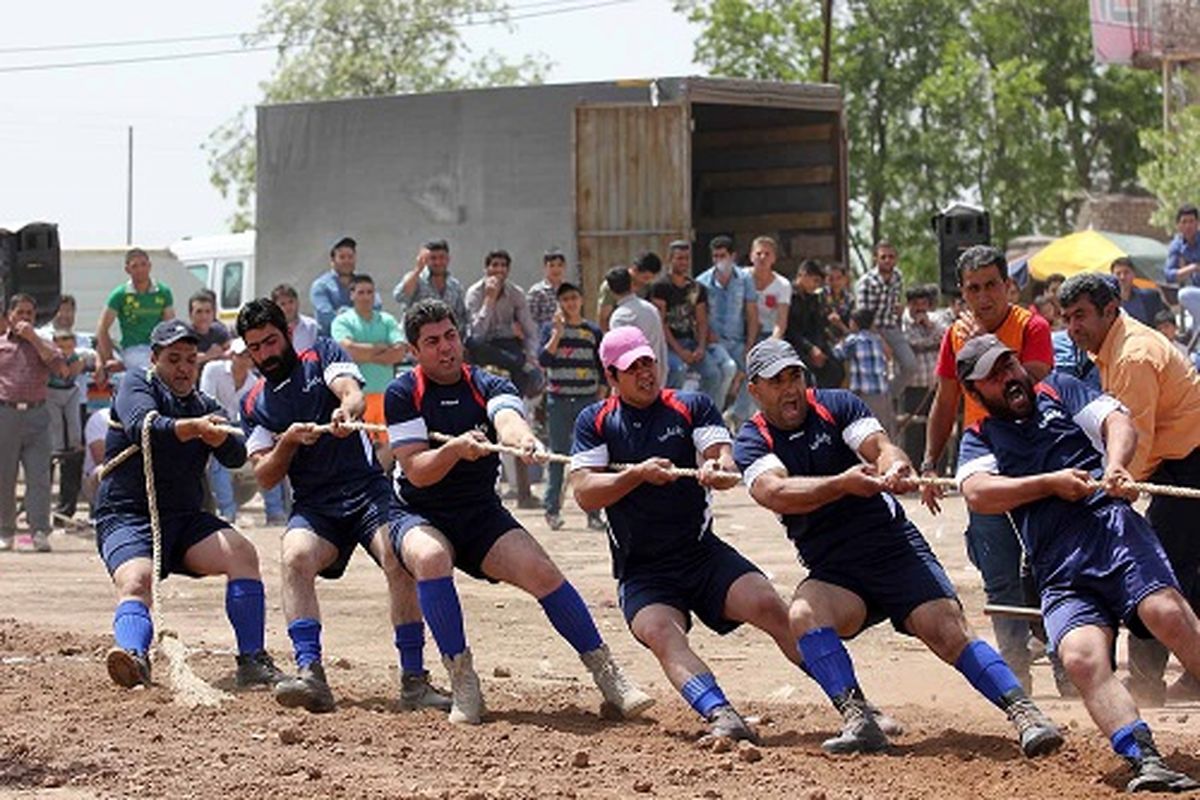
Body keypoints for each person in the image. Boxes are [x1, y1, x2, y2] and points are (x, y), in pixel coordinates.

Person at [734, 337, 1062, 757]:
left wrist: (896, 465)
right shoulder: (752, 439)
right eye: (776, 381)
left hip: (894, 549)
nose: (790, 388)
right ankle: (859, 719)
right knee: (804, 614)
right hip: (836, 571)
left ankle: (1025, 714)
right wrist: (841, 485)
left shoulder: (837, 404)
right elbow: (775, 490)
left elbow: (882, 447)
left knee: (948, 632)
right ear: (754, 391)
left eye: (794, 376)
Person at [570, 328, 887, 743]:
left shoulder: (689, 406)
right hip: (643, 571)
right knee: (662, 634)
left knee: (771, 607)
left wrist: (717, 468)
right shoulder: (594, 421)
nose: (646, 373)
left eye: (649, 362)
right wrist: (635, 474)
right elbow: (584, 493)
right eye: (633, 368)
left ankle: (857, 708)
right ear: (612, 376)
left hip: (702, 555)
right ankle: (721, 715)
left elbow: (724, 459)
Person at [385, 298, 653, 725]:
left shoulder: (488, 384)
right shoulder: (403, 393)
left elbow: (508, 418)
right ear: (414, 352)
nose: (445, 348)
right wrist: (455, 449)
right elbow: (417, 472)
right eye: (432, 342)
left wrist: (523, 440)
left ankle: (608, 675)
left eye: (450, 336)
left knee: (543, 572)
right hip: (417, 512)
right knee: (432, 558)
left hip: (478, 512)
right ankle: (463, 680)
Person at [955, 334, 1200, 792]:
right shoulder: (978, 437)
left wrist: (1116, 465)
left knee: (1166, 613)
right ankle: (1144, 758)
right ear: (975, 392)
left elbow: (1117, 421)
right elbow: (978, 493)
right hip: (1058, 566)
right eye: (994, 375)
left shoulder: (1061, 390)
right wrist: (1048, 483)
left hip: (1111, 529)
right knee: (1080, 658)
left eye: (1009, 364)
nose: (1009, 377)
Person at [237, 298, 448, 714]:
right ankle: (310, 673)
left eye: (271, 341)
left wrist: (345, 412)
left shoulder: (323, 355)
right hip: (316, 507)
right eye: (255, 347)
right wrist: (288, 442)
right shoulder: (253, 402)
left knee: (397, 556)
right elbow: (264, 475)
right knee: (294, 556)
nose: (265, 353)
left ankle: (414, 679)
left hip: (368, 492)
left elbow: (352, 393)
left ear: (288, 335)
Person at [94, 319, 285, 690]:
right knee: (136, 581)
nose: (183, 368)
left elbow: (234, 455)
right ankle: (133, 656)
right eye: (173, 359)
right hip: (127, 516)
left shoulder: (204, 404)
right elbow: (142, 426)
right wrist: (194, 428)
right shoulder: (136, 384)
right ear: (155, 359)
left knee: (242, 554)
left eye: (190, 361)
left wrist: (214, 437)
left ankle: (252, 660)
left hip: (184, 520)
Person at [1060, 273, 1200, 705]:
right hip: (1175, 463)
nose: (1073, 327)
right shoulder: (1110, 348)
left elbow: (1132, 448)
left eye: (1081, 315)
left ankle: (1146, 686)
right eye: (1066, 318)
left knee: (1152, 571)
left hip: (1188, 465)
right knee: (1181, 571)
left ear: (1109, 310)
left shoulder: (1133, 356)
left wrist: (1107, 498)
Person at [921, 245, 1053, 692]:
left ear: (1008, 285)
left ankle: (1068, 670)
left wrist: (983, 341)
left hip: (1034, 457)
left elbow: (1028, 384)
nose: (984, 296)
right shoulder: (952, 337)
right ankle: (1015, 674)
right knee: (998, 572)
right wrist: (929, 462)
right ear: (961, 292)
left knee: (1050, 565)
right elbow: (945, 402)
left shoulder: (1032, 326)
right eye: (973, 288)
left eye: (991, 285)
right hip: (981, 460)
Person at [537, 282, 604, 531]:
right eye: (565, 299)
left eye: (574, 298)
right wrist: (557, 333)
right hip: (559, 400)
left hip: (587, 400)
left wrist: (602, 394)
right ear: (559, 303)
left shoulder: (592, 332)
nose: (570, 303)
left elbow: (602, 365)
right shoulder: (550, 329)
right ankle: (552, 509)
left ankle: (594, 512)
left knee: (589, 457)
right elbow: (544, 359)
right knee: (558, 454)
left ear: (581, 300)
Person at [199, 338, 287, 525]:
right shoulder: (213, 370)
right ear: (231, 355)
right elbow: (206, 404)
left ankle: (275, 512)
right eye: (240, 355)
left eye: (248, 355)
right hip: (218, 427)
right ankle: (227, 512)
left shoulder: (254, 382)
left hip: (239, 430)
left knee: (266, 453)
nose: (244, 359)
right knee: (219, 455)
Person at [0, 294, 64, 552]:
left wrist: (34, 339)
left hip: (37, 415)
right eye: (20, 313)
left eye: (30, 313)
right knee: (4, 476)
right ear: (9, 317)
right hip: (6, 413)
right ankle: (5, 530)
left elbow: (61, 368)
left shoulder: (44, 344)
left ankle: (39, 530)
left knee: (39, 475)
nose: (25, 318)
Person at [330, 274, 408, 464]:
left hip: (384, 395)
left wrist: (363, 352)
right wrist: (381, 349)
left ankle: (379, 478)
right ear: (352, 295)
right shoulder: (342, 321)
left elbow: (399, 353)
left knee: (390, 444)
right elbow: (347, 351)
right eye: (361, 292)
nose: (366, 296)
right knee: (357, 445)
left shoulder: (387, 320)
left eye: (370, 292)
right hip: (357, 396)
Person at [38, 295, 97, 519]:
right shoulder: (42, 335)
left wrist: (88, 364)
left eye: (70, 310)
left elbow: (99, 361)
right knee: (47, 456)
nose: (65, 315)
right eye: (61, 310)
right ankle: (41, 510)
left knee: (73, 458)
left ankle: (65, 511)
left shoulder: (85, 339)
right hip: (47, 402)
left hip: (77, 401)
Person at [652, 243, 734, 401]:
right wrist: (679, 350)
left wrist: (701, 347)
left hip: (691, 342)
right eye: (679, 258)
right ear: (670, 259)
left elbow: (702, 320)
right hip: (668, 345)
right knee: (677, 370)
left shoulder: (696, 288)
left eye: (686, 258)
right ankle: (670, 413)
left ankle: (707, 416)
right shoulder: (660, 288)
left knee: (713, 374)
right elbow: (661, 323)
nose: (683, 262)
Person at [464, 249, 543, 399]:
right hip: (483, 344)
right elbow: (477, 333)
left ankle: (516, 402)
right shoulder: (474, 293)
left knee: (520, 372)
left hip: (506, 342)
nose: (499, 269)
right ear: (486, 269)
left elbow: (529, 328)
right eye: (494, 265)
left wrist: (532, 355)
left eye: (503, 265)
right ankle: (520, 363)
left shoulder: (516, 293)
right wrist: (489, 299)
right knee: (472, 342)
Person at [696, 236, 758, 423]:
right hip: (714, 342)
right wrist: (706, 336)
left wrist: (750, 343)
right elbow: (699, 316)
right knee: (725, 371)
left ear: (733, 256)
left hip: (737, 340)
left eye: (722, 255)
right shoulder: (702, 282)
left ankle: (738, 417)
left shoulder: (745, 279)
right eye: (715, 256)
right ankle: (714, 415)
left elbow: (751, 313)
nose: (718, 260)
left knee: (754, 371)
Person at [96, 247, 175, 379]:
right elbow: (102, 328)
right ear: (127, 269)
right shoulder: (120, 295)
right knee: (149, 373)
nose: (140, 270)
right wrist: (109, 359)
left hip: (157, 348)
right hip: (133, 349)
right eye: (135, 266)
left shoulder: (163, 292)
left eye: (143, 264)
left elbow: (170, 326)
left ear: (150, 266)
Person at [855, 241, 914, 409]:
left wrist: (899, 310)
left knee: (910, 365)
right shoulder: (866, 282)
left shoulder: (898, 277)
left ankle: (889, 397)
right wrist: (881, 342)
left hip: (891, 326)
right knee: (877, 372)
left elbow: (895, 301)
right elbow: (863, 318)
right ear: (876, 259)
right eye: (883, 257)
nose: (887, 260)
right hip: (871, 331)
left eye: (891, 257)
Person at [899, 285, 946, 464]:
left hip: (935, 385)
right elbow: (910, 344)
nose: (920, 308)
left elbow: (946, 337)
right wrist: (931, 343)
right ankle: (914, 470)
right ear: (909, 304)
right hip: (912, 386)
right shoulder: (901, 324)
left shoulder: (936, 319)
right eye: (916, 304)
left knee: (936, 428)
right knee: (913, 430)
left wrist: (928, 326)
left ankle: (937, 469)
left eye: (924, 303)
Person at [607, 265, 668, 388]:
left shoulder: (620, 317)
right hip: (656, 379)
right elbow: (661, 346)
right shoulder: (651, 309)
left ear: (611, 290)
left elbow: (621, 357)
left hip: (634, 386)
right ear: (631, 283)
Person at [834, 308, 893, 435]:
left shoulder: (853, 341)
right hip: (882, 392)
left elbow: (837, 353)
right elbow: (888, 355)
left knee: (864, 432)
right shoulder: (877, 339)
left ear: (853, 323)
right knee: (881, 431)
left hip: (863, 394)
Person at [785, 259, 842, 388]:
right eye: (815, 281)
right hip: (794, 345)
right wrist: (810, 349)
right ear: (803, 275)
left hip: (812, 345)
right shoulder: (788, 294)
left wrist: (819, 348)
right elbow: (790, 330)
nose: (816, 286)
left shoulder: (813, 298)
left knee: (835, 370)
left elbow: (817, 326)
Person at [310, 236, 380, 336]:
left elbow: (376, 308)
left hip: (363, 339)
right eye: (342, 257)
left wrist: (343, 311)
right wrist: (361, 313)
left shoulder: (364, 283)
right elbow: (327, 318)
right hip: (332, 343)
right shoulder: (321, 286)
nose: (347, 261)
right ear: (333, 260)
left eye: (350, 257)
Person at [393, 239, 468, 328]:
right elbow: (399, 296)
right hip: (415, 336)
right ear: (426, 260)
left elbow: (460, 316)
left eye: (441, 257)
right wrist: (418, 269)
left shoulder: (455, 286)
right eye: (433, 258)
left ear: (448, 259)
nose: (437, 262)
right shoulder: (415, 279)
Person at [597, 250, 661, 331]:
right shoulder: (613, 284)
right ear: (634, 270)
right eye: (646, 278)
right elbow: (603, 318)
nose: (648, 281)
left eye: (652, 278)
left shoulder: (647, 286)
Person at [1163, 203, 1200, 334]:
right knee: (1184, 295)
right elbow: (1169, 275)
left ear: (1198, 223)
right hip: (1197, 292)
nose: (1188, 225)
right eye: (1184, 222)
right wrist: (1192, 268)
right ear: (1178, 225)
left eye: (1191, 221)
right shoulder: (1177, 245)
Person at [745, 236, 790, 341]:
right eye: (758, 253)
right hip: (742, 332)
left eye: (767, 254)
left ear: (774, 258)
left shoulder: (783, 284)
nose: (762, 257)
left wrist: (774, 341)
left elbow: (781, 321)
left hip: (769, 333)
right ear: (751, 256)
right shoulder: (740, 278)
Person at [1110, 257, 1167, 327]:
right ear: (1112, 276)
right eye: (1118, 274)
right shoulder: (1109, 303)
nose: (1122, 277)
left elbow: (1163, 321)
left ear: (1133, 274)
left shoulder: (1150, 297)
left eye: (1126, 272)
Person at [188, 289, 231, 369]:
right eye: (199, 312)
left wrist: (221, 355)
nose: (204, 316)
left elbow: (231, 352)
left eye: (207, 312)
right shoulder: (186, 335)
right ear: (190, 315)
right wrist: (209, 355)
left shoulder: (219, 331)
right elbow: (187, 359)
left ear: (213, 314)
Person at [271, 283, 319, 353]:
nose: (288, 307)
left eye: (291, 302)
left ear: (297, 302)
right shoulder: (272, 329)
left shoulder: (312, 326)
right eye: (283, 304)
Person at [526, 249, 568, 329]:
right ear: (545, 267)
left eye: (560, 265)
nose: (556, 269)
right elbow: (530, 320)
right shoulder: (537, 291)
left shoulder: (569, 289)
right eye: (551, 265)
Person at [823, 263, 855, 344]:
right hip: (822, 340)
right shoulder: (819, 296)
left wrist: (839, 324)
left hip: (844, 339)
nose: (835, 282)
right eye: (831, 279)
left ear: (845, 279)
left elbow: (851, 324)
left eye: (839, 278)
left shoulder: (850, 299)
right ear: (825, 280)